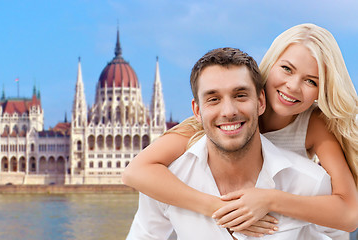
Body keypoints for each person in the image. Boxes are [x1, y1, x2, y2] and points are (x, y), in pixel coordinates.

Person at [123, 23, 358, 237]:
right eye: (287, 69)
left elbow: (348, 214)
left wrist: (269, 200)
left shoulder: (314, 125)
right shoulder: (214, 122)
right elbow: (135, 171)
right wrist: (221, 209)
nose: (293, 86)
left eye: (311, 81)